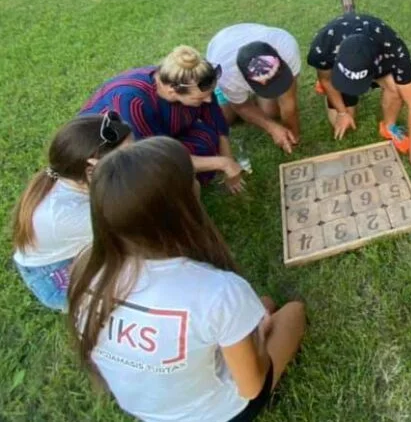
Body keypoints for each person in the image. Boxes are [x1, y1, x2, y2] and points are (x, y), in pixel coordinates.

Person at [68, 137, 305, 422]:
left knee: (261, 305)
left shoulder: (84, 268)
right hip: (220, 413)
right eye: (191, 177)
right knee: (293, 312)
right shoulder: (220, 291)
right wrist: (259, 337)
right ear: (181, 205)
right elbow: (252, 387)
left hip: (146, 411)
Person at [81, 45, 243, 193]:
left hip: (159, 134)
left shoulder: (192, 81)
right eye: (200, 100)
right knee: (161, 172)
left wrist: (228, 160)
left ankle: (183, 181)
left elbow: (216, 121)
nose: (208, 101)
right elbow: (151, 156)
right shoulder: (132, 101)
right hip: (119, 154)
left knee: (207, 139)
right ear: (172, 92)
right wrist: (223, 163)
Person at [12, 113, 132, 311]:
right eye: (127, 157)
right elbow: (140, 228)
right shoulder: (66, 214)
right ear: (91, 168)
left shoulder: (75, 181)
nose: (137, 158)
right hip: (56, 278)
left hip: (76, 249)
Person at [307, 13, 411, 168]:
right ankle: (336, 94)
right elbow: (326, 80)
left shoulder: (395, 52)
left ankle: (389, 126)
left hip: (380, 61)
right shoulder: (323, 46)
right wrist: (342, 112)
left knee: (396, 89)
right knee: (340, 120)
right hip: (335, 69)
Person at [206, 24, 301, 154]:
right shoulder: (226, 75)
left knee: (270, 112)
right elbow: (242, 107)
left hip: (251, 37)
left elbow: (289, 101)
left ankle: (259, 98)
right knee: (224, 118)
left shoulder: (287, 47)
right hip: (222, 46)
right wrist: (272, 128)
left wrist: (293, 133)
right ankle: (231, 95)